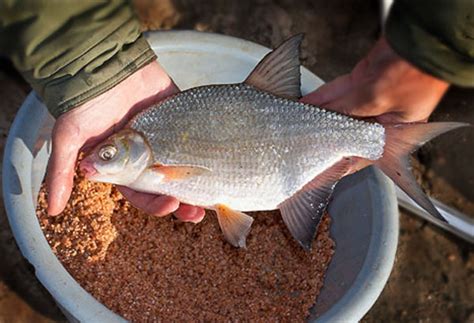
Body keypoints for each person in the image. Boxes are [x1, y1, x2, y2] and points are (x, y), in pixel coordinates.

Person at [1, 0, 472, 222]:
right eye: (106, 154)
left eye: (105, 156)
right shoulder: (145, 132)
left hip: (279, 150)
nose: (95, 161)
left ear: (139, 151)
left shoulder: (149, 141)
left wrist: (427, 57)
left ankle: (386, 142)